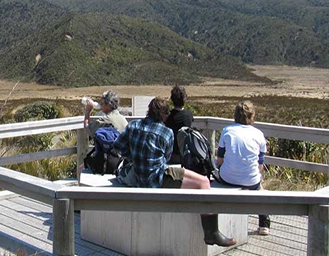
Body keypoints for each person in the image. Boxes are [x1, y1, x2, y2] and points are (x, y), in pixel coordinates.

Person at [113, 97, 236, 247]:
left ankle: (212, 233)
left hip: (138, 177)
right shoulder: (166, 132)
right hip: (157, 179)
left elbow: (118, 146)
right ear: (164, 114)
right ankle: (211, 233)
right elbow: (166, 158)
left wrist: (133, 156)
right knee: (203, 182)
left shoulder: (134, 126)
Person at [217, 101, 270, 235]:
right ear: (252, 116)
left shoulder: (227, 131)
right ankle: (264, 224)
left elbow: (220, 159)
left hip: (227, 178)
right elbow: (260, 165)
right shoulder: (258, 134)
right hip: (251, 180)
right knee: (260, 188)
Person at [164, 85, 193, 164]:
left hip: (171, 155)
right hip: (186, 154)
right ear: (184, 99)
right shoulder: (188, 115)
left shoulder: (168, 117)